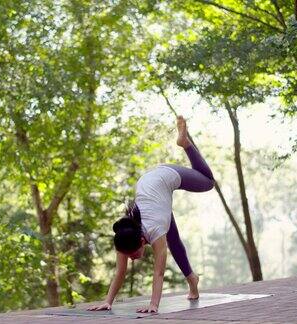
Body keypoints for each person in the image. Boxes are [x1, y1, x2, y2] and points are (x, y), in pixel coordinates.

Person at [87, 116, 215, 313]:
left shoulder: (153, 230)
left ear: (141, 241)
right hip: (153, 197)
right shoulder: (124, 237)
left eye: (133, 255)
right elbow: (119, 272)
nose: (131, 259)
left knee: (208, 182)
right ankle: (193, 281)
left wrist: (154, 305)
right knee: (173, 238)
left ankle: (185, 143)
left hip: (163, 177)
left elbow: (159, 272)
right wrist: (108, 301)